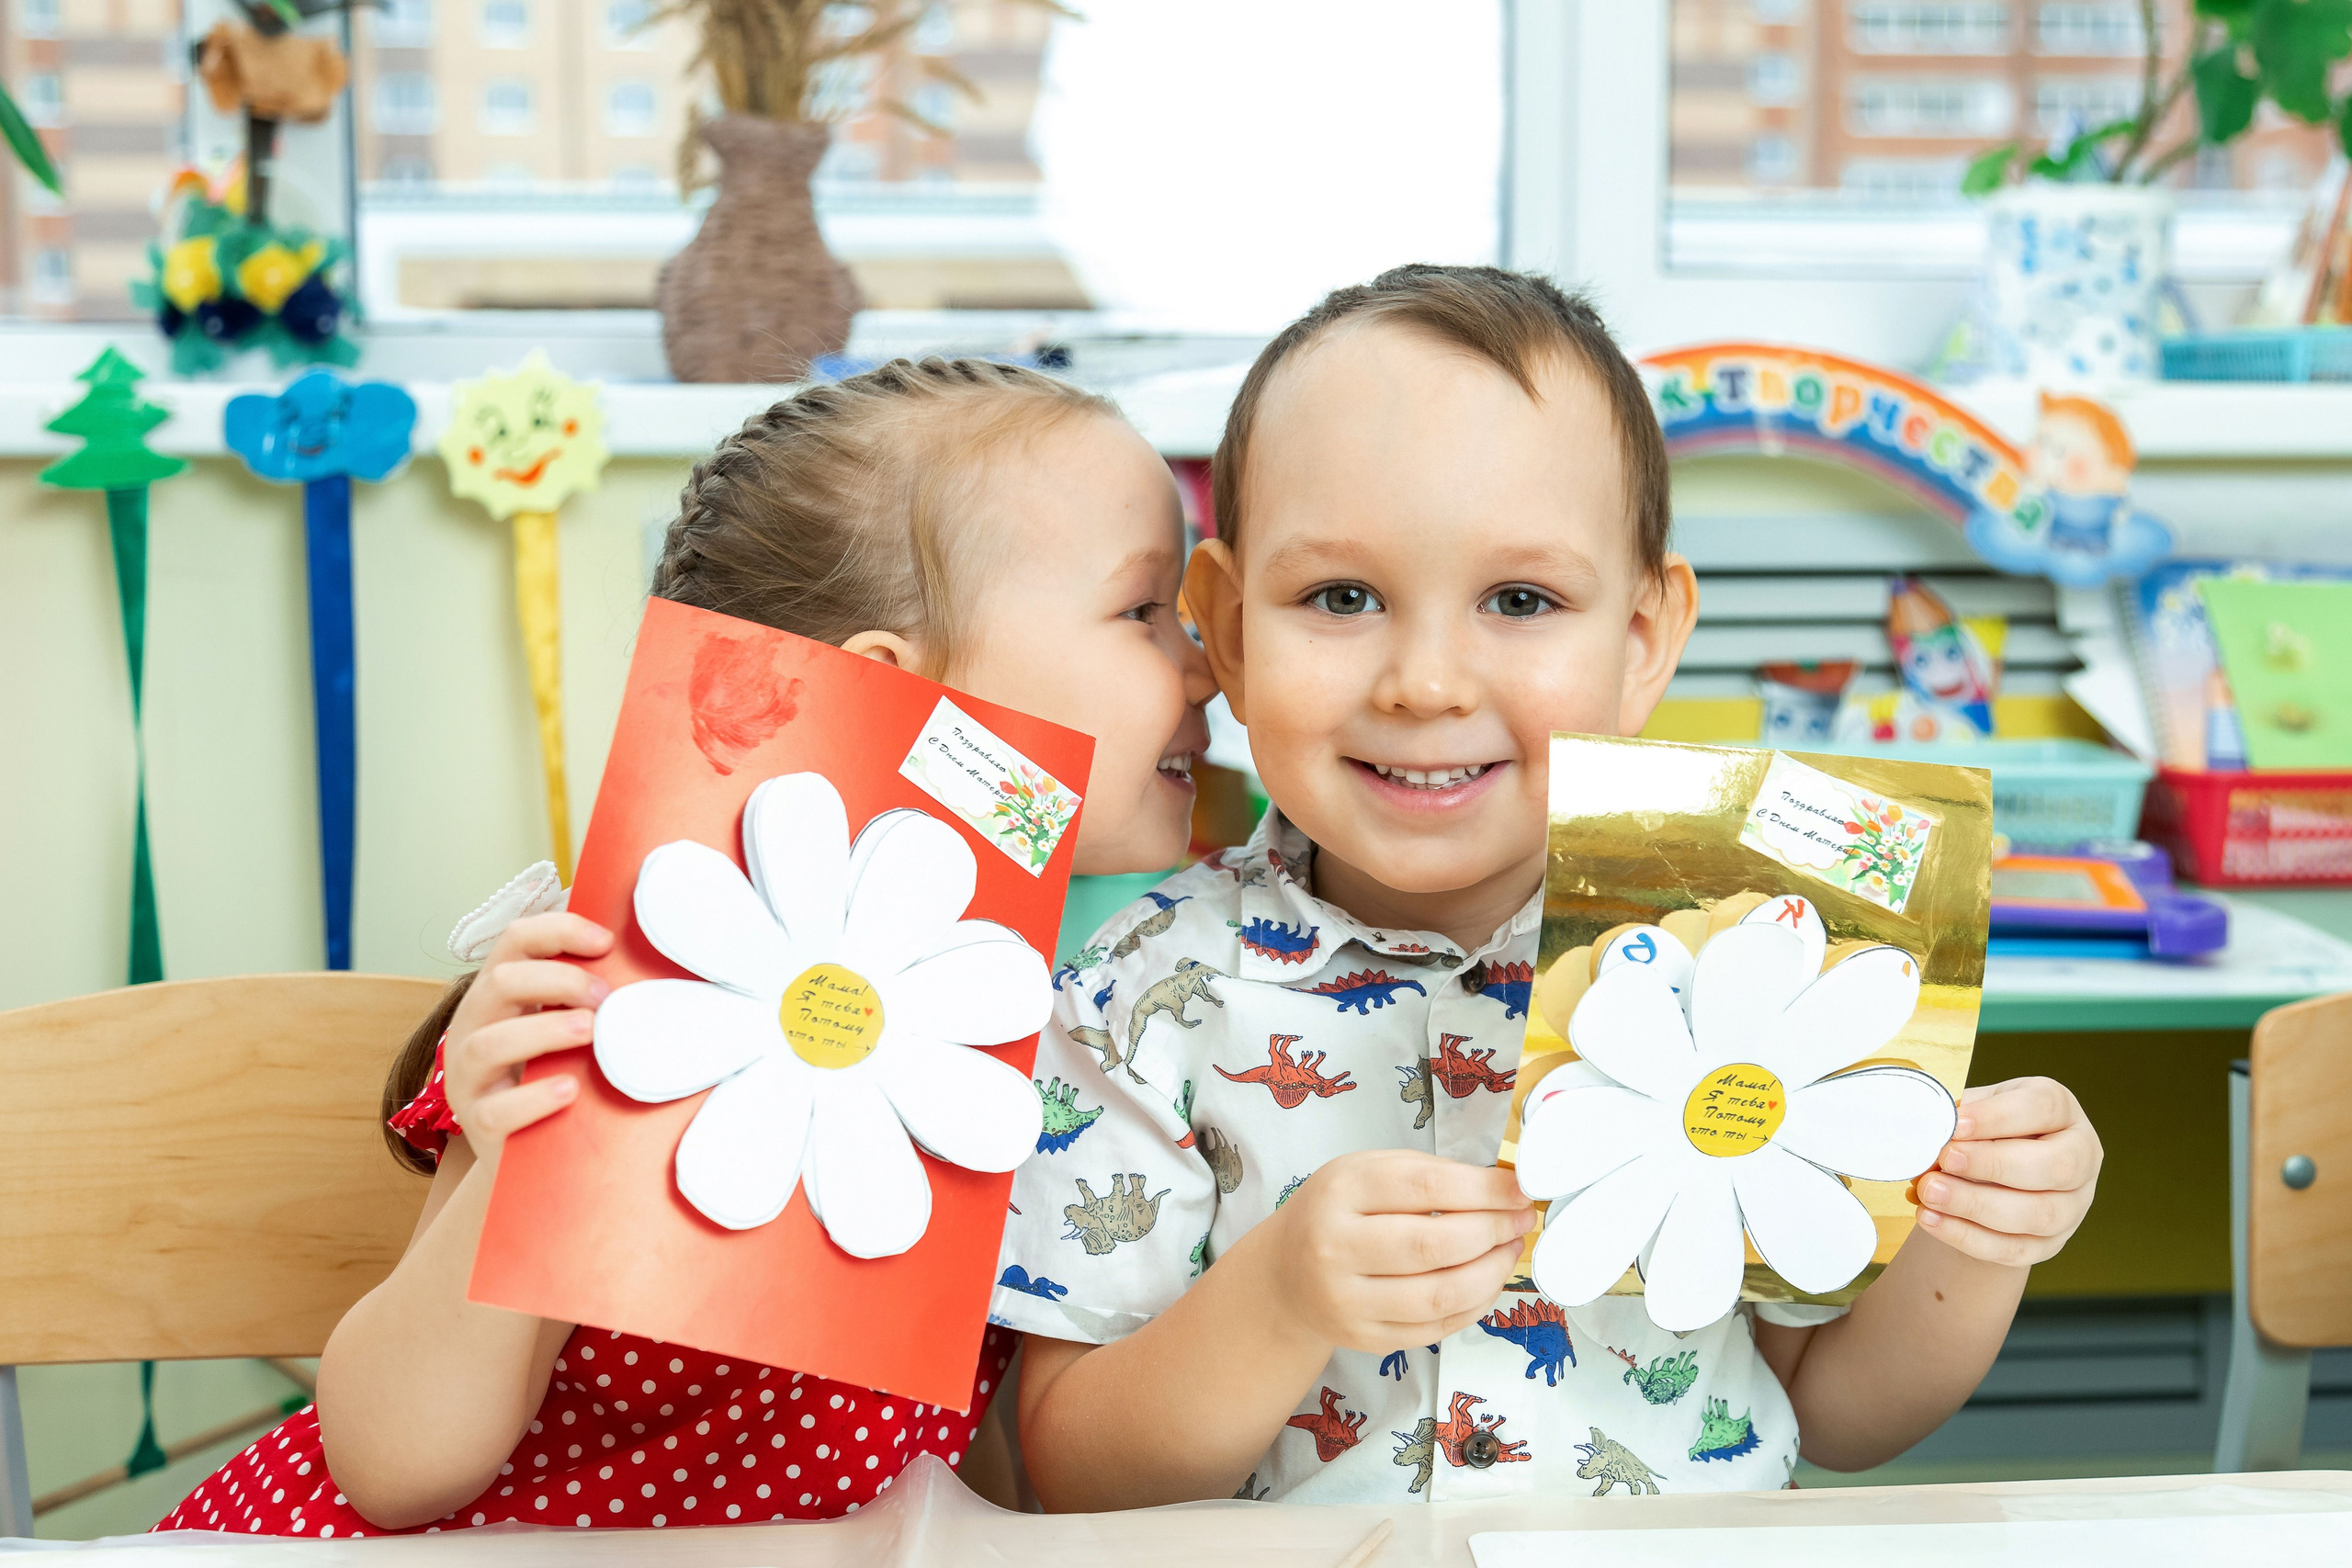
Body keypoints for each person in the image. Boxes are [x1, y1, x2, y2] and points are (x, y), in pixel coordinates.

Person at [992, 266, 2104, 1506]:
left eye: (1520, 599)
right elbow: (1074, 1476)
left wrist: (1977, 1235)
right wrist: (1276, 1298)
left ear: (1640, 643)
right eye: (1340, 596)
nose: (1425, 681)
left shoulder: (1751, 957)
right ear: (1232, 631)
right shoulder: (1132, 999)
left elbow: (1839, 1408)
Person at [154, 358, 1216, 1537]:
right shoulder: (626, 993)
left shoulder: (1094, 1008)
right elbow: (396, 1467)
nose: (1203, 663)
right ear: (891, 692)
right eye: (1142, 610)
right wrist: (522, 1161)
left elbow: (955, 1480)